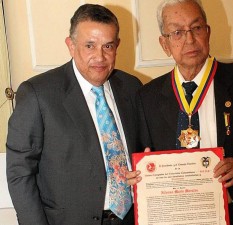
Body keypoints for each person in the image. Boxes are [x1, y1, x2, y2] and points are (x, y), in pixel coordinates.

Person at [127, 0, 233, 225]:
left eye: (196, 28)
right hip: (178, 217)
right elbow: (141, 155)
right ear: (164, 44)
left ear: (208, 32)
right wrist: (139, 173)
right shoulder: (147, 97)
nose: (189, 39)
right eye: (177, 32)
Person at [6, 4, 142, 225]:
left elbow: (141, 149)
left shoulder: (131, 87)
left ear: (117, 46)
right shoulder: (38, 95)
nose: (100, 56)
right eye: (90, 45)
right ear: (71, 45)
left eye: (108, 46)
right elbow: (20, 173)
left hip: (131, 218)